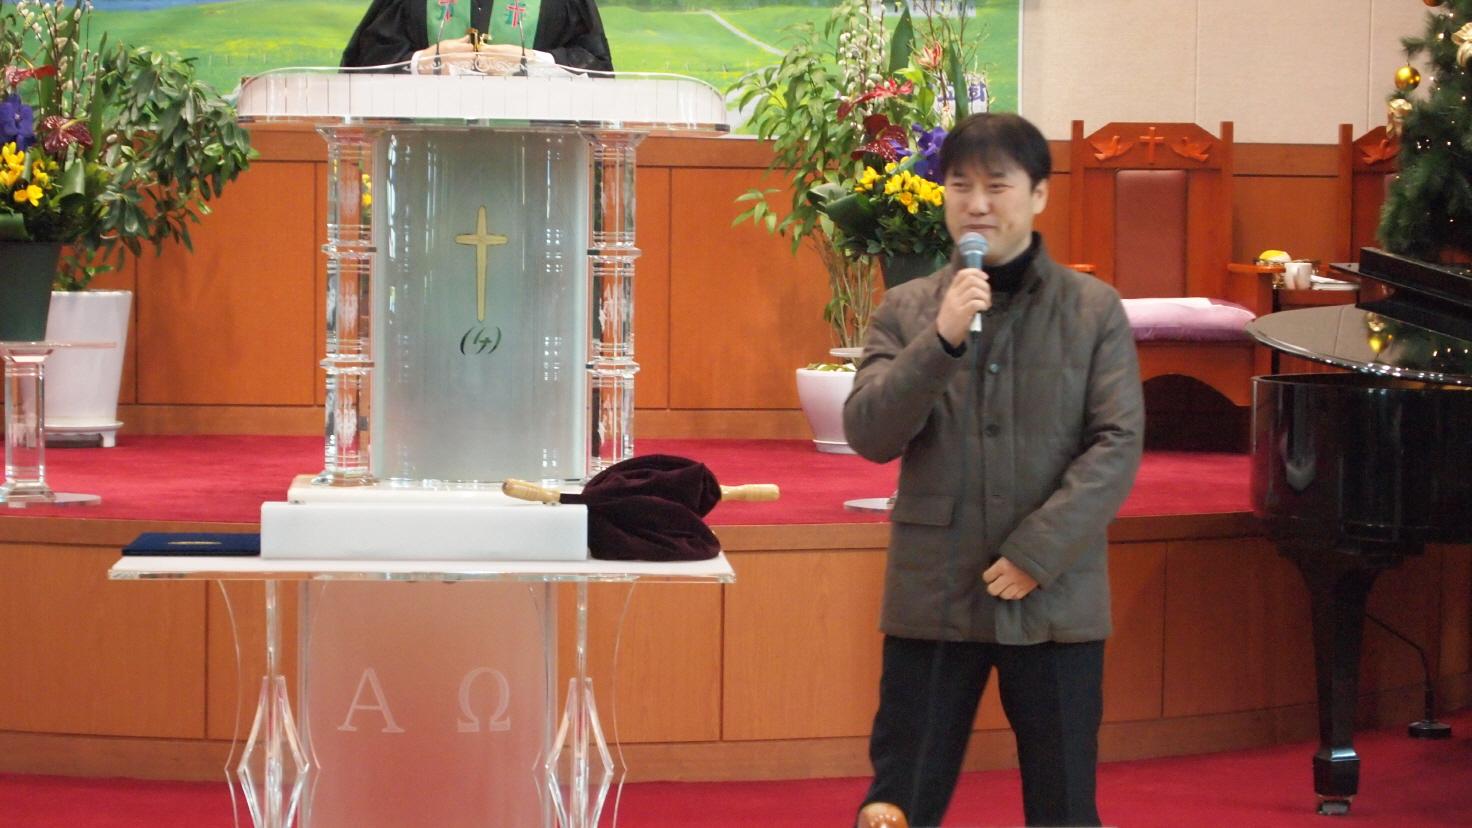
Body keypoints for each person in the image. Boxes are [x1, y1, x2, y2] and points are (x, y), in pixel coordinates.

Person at [843, 112, 1144, 828]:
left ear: (1038, 194)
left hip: (1054, 596)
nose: (977, 204)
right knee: (899, 802)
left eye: (997, 186)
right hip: (935, 594)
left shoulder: (1093, 310)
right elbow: (869, 434)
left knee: (1063, 804)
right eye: (960, 186)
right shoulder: (908, 308)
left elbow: (1117, 442)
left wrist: (1038, 553)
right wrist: (940, 340)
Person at [340, 0, 612, 73]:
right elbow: (364, 64)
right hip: (423, 155)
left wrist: (532, 63)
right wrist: (420, 63)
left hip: (537, 159)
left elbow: (596, 66)